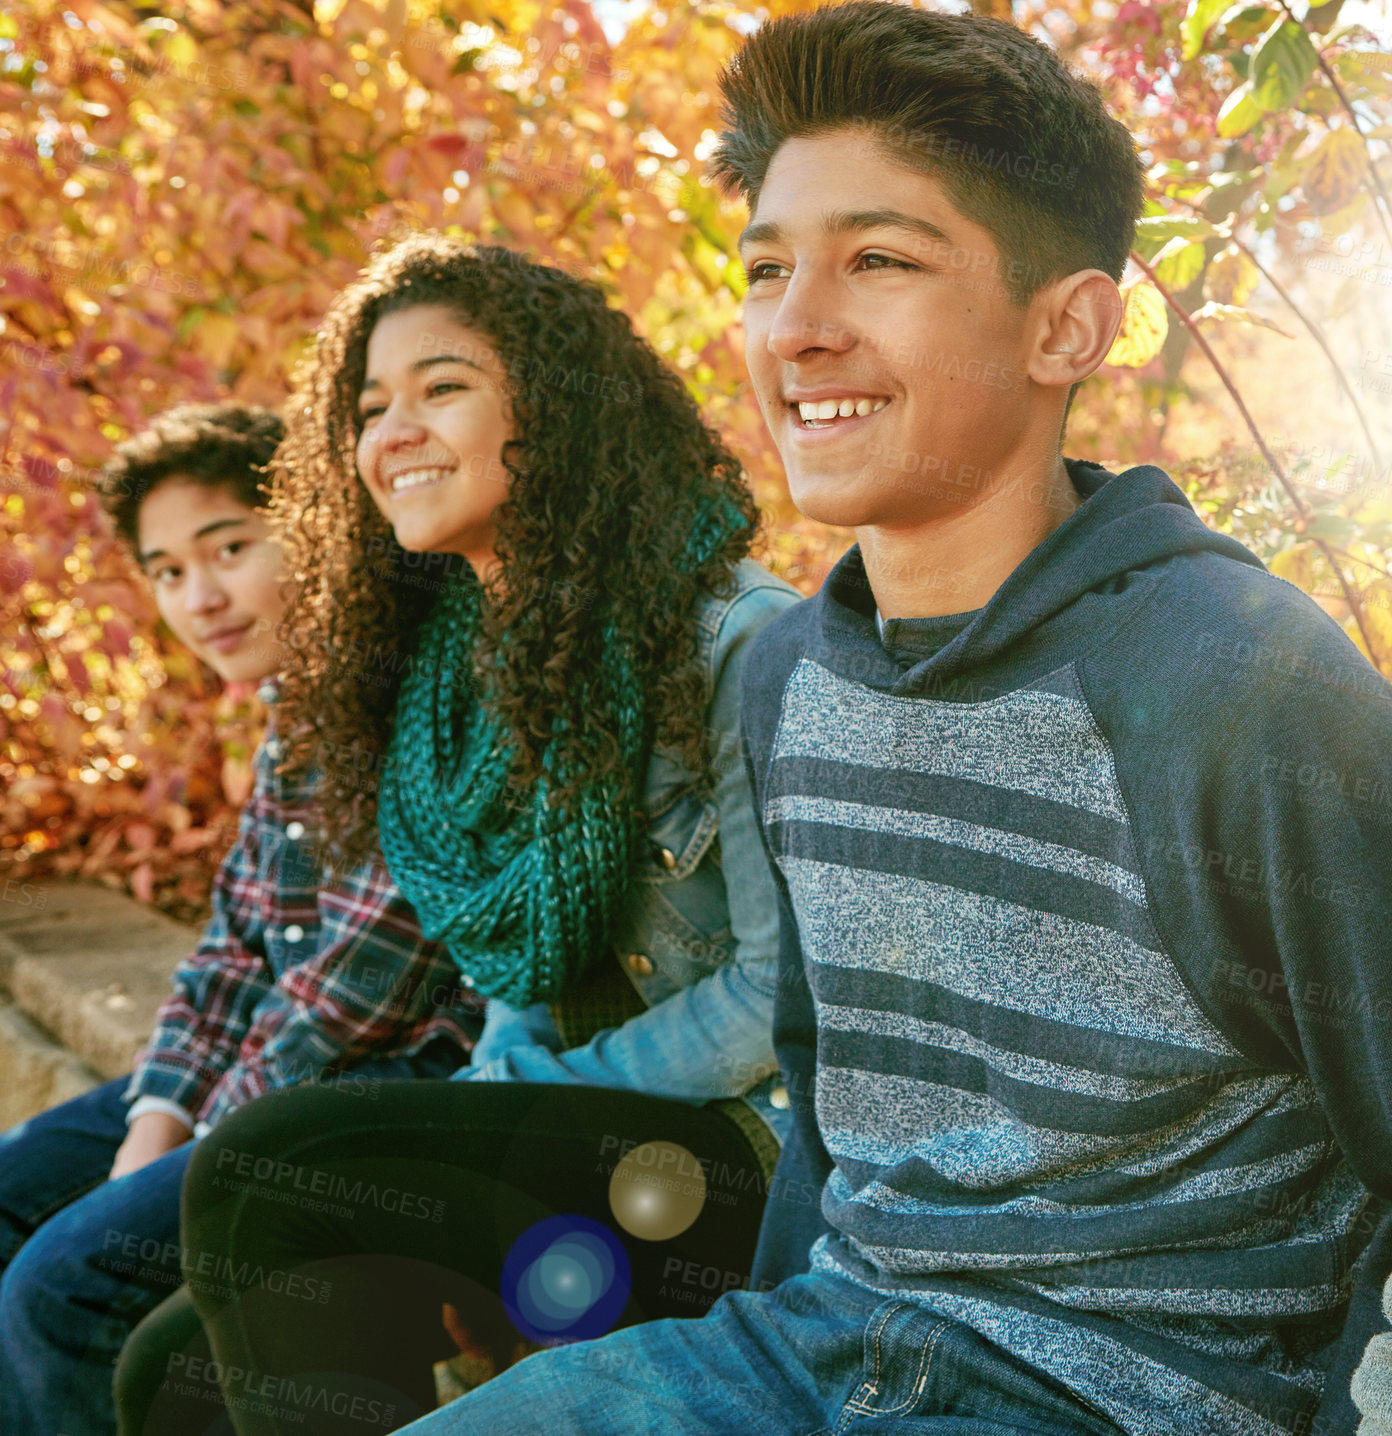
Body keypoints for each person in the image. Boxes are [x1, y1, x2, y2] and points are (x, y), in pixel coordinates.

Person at [385, 5, 1392, 1435]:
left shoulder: (1239, 689)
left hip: (1122, 1397)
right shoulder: (799, 676)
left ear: (1067, 326)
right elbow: (835, 1125)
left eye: (880, 261)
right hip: (815, 1349)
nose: (795, 329)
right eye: (768, 269)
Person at [117, 232, 799, 1435]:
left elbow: (777, 995)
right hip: (586, 1131)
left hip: (746, 1157)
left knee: (280, 1166)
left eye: (443, 387)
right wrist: (492, 1113)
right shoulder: (472, 674)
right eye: (371, 406)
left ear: (557, 411)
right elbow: (522, 975)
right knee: (168, 1370)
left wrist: (515, 1108)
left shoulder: (733, 642)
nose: (393, 434)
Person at [0, 402, 485, 1436]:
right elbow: (232, 946)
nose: (199, 597)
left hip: (388, 1093)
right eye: (167, 570)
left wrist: (199, 1136)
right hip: (268, 1075)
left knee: (64, 1288)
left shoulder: (410, 690)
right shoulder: (290, 710)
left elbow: (357, 988)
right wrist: (154, 1123)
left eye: (228, 547)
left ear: (312, 524)